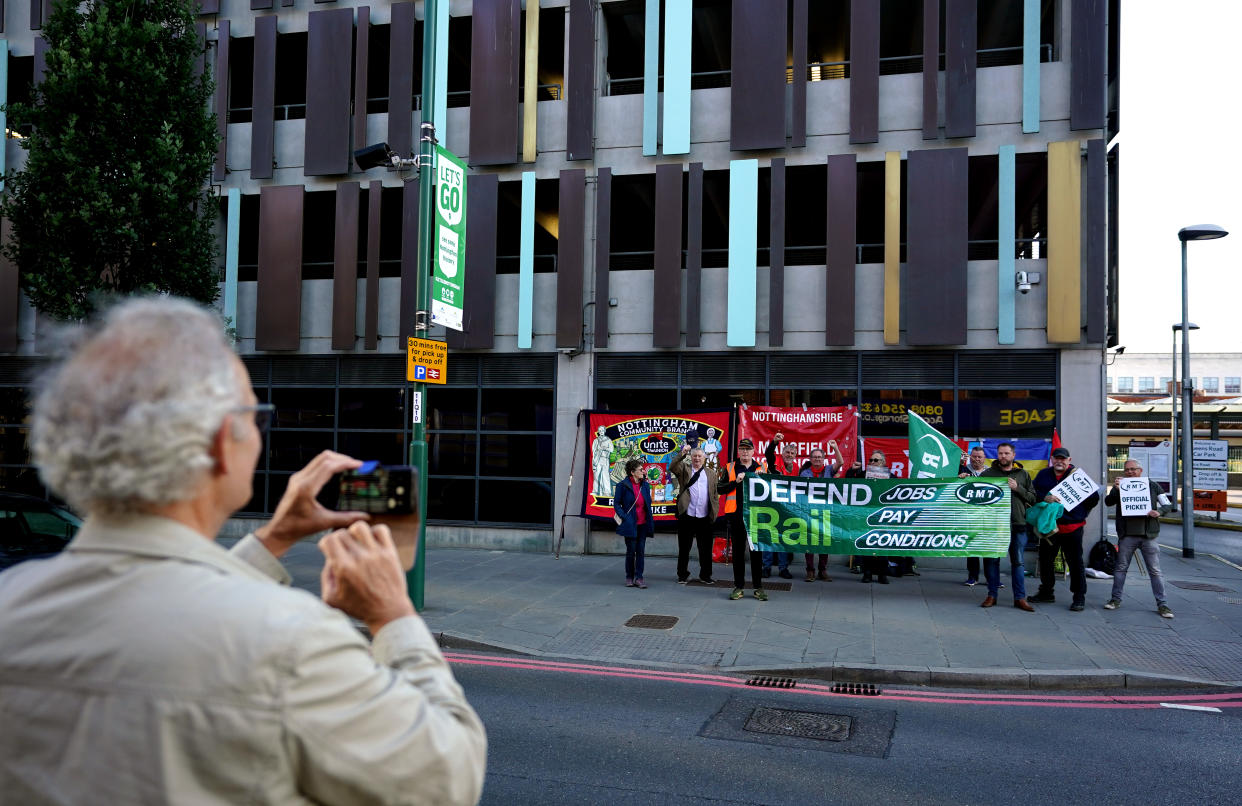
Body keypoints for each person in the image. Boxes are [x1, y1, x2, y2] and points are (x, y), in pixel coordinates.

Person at [0, 297, 486, 805]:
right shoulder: (289, 640)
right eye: (254, 415)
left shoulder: (11, 606)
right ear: (217, 443)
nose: (259, 433)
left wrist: (272, 540)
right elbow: (446, 780)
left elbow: (166, 606)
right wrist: (394, 616)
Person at [1030, 446, 1100, 611]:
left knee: (1075, 563)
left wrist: (1077, 510)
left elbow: (1094, 499)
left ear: (1069, 460)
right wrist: (1045, 498)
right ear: (1052, 459)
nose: (1059, 461)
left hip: (1072, 528)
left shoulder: (1078, 477)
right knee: (1046, 561)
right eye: (1057, 458)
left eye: (1063, 459)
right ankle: (1047, 592)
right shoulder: (1043, 474)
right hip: (1049, 528)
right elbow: (1032, 493)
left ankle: (1079, 597)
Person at [1103, 459, 1175, 618]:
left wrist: (1160, 512)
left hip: (1148, 535)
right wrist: (1115, 490)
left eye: (1133, 469)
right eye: (1127, 470)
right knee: (1121, 568)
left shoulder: (1153, 485)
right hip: (1127, 535)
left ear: (1140, 470)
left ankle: (1162, 604)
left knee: (1155, 571)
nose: (1129, 472)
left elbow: (1168, 505)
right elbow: (1108, 502)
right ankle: (1115, 599)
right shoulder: (1120, 486)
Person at [979, 442, 1037, 611]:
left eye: (1006, 453)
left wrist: (1017, 488)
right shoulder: (988, 474)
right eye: (1000, 453)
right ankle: (991, 595)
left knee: (1018, 563)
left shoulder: (1023, 474)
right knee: (991, 561)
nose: (1003, 456)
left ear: (1013, 455)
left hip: (1017, 525)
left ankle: (1020, 598)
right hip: (993, 526)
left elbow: (1033, 498)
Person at [717, 438, 768, 601]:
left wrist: (763, 478)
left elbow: (773, 489)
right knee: (738, 553)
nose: (745, 452)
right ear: (738, 452)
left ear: (753, 451)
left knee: (756, 552)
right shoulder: (730, 467)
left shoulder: (762, 467)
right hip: (736, 515)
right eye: (742, 449)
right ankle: (738, 587)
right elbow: (720, 488)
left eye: (748, 449)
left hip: (756, 516)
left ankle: (758, 587)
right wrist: (735, 481)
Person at [669, 443, 719, 585]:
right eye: (695, 456)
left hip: (704, 517)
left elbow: (714, 494)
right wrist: (682, 453)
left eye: (699, 456)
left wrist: (714, 512)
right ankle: (682, 575)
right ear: (691, 458)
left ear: (704, 458)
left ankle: (705, 575)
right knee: (684, 548)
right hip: (687, 515)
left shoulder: (711, 473)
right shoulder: (684, 469)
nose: (697, 458)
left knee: (706, 549)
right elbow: (672, 466)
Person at [761, 433, 798, 578]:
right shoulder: (774, 461)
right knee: (769, 536)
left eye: (792, 453)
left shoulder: (796, 468)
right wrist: (774, 442)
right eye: (787, 452)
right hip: (771, 505)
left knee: (784, 538)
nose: (789, 455)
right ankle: (766, 567)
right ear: (782, 453)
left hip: (787, 508)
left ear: (795, 455)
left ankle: (783, 568)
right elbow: (768, 453)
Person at [849, 450, 890, 584]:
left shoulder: (890, 476)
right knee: (867, 544)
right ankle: (867, 573)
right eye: (870, 460)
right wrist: (851, 470)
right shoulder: (864, 475)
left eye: (875, 460)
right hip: (867, 515)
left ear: (882, 463)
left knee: (882, 546)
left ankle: (882, 574)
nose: (872, 462)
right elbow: (848, 482)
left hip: (884, 516)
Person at [614, 458, 654, 589]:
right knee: (631, 551)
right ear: (632, 472)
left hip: (643, 523)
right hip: (630, 523)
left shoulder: (645, 485)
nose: (643, 471)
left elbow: (648, 502)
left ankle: (639, 577)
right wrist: (624, 517)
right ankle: (629, 577)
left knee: (641, 551)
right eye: (640, 470)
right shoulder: (623, 485)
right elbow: (616, 504)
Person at [799, 448, 834, 582]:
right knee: (809, 543)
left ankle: (822, 570)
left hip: (825, 512)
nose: (817, 459)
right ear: (811, 459)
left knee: (824, 543)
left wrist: (835, 447)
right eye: (815, 457)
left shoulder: (829, 471)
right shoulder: (804, 473)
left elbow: (841, 462)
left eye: (820, 457)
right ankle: (810, 570)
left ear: (824, 458)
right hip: (809, 512)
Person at [958, 445, 989, 586]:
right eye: (974, 456)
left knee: (990, 548)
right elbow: (952, 486)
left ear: (984, 458)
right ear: (970, 457)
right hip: (969, 515)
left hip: (989, 516)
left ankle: (992, 578)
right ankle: (973, 576)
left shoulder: (991, 473)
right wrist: (959, 477)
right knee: (972, 547)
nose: (977, 459)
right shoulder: (963, 470)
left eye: (979, 457)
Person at [591, 425, 615, 497]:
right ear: (598, 432)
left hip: (605, 459)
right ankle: (595, 491)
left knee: (606, 476)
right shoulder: (596, 440)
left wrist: (604, 448)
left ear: (604, 431)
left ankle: (607, 492)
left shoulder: (608, 440)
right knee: (596, 475)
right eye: (600, 431)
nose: (601, 432)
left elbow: (611, 449)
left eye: (602, 430)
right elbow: (593, 450)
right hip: (598, 459)